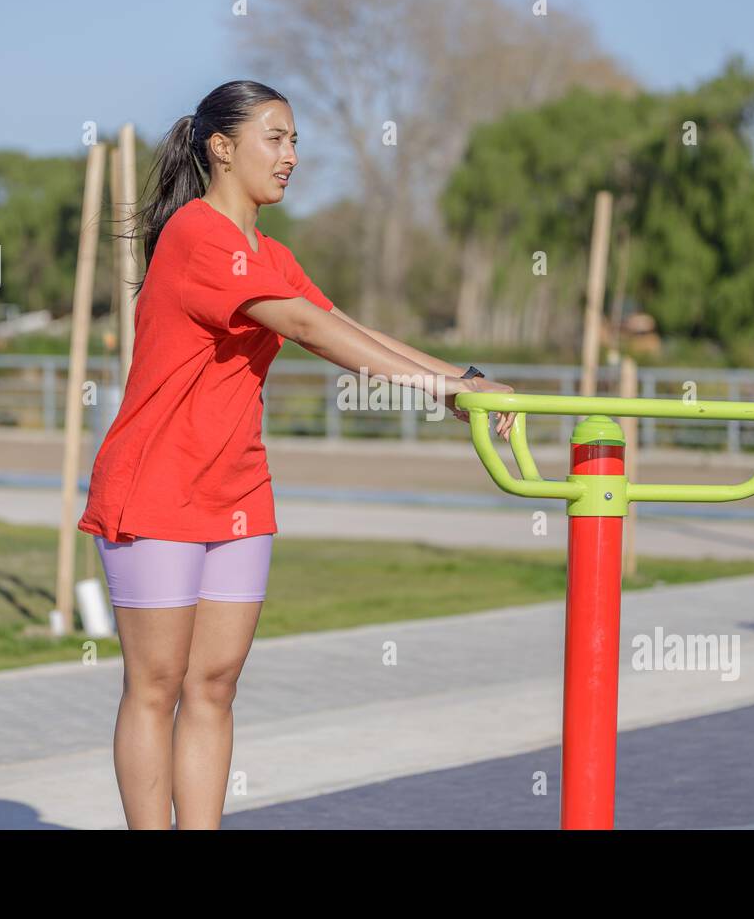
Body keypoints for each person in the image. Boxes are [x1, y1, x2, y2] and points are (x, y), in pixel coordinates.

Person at [77, 79, 517, 829]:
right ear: (221, 148)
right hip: (157, 488)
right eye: (275, 139)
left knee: (214, 685)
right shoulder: (194, 235)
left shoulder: (268, 252)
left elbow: (342, 323)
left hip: (238, 490)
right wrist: (443, 387)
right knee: (156, 686)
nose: (291, 156)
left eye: (294, 141)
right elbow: (309, 333)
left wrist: (458, 382)